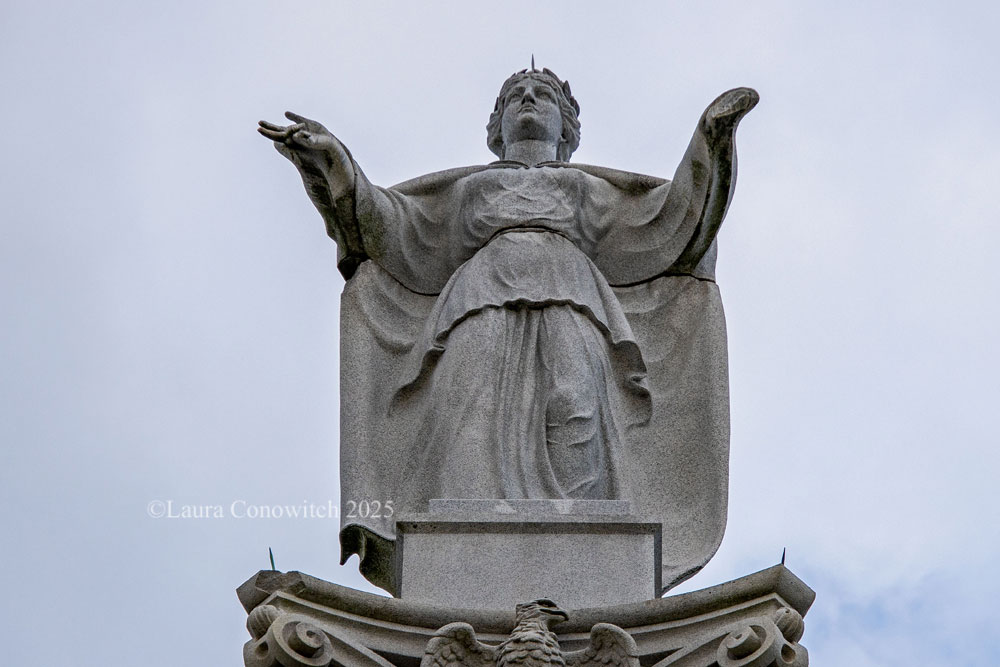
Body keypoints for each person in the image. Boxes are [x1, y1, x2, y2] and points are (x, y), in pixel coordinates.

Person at [259, 68, 757, 594]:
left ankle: (583, 533)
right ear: (495, 127)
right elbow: (396, 229)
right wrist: (335, 162)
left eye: (543, 96)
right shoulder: (470, 189)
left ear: (567, 127)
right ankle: (465, 529)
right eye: (515, 96)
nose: (528, 99)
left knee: (576, 404)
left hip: (572, 296)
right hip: (478, 299)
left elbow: (667, 223)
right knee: (471, 408)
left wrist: (711, 140)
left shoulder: (583, 188)